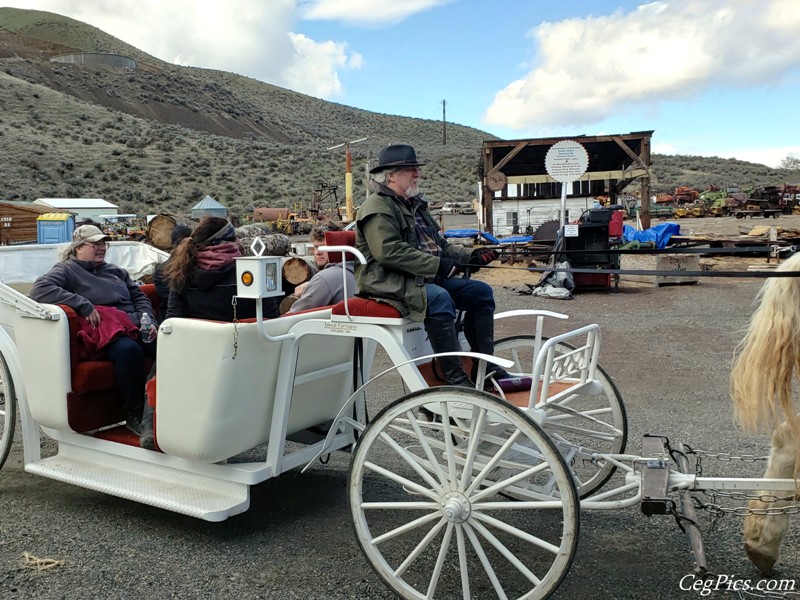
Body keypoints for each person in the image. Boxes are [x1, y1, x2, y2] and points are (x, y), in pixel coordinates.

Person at [355, 143, 505, 387]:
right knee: (439, 298)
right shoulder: (376, 207)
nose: (417, 173)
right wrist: (438, 266)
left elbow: (441, 246)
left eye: (416, 168)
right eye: (410, 169)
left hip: (420, 277)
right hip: (387, 280)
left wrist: (471, 256)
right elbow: (389, 252)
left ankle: (485, 368)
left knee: (481, 293)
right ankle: (455, 378)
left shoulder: (416, 206)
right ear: (391, 175)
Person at [137, 217, 281, 449]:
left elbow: (174, 317)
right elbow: (271, 318)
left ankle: (150, 428)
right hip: (242, 352)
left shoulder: (182, 270)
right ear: (231, 242)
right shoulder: (250, 271)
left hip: (195, 351)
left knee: (158, 368)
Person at [29, 224, 157, 435]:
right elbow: (40, 290)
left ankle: (167, 406)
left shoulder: (116, 271)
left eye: (103, 243)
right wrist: (82, 304)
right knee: (128, 351)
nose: (101, 248)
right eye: (94, 244)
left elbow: (139, 297)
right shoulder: (67, 269)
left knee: (168, 347)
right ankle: (133, 413)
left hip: (135, 324)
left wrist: (150, 320)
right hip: (107, 332)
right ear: (78, 247)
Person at [163, 217, 280, 321]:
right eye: (234, 238)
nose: (239, 241)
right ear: (225, 243)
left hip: (196, 344)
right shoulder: (250, 275)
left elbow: (173, 320)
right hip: (244, 343)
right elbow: (271, 318)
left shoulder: (182, 273)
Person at [288, 224, 356, 312]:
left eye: (324, 247)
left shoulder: (325, 279)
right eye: (316, 247)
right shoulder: (355, 271)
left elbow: (293, 315)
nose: (318, 252)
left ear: (338, 247)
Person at [153, 224, 192, 317]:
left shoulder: (196, 264)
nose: (190, 246)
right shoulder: (163, 271)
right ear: (177, 245)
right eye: (185, 243)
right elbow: (172, 300)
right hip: (175, 317)